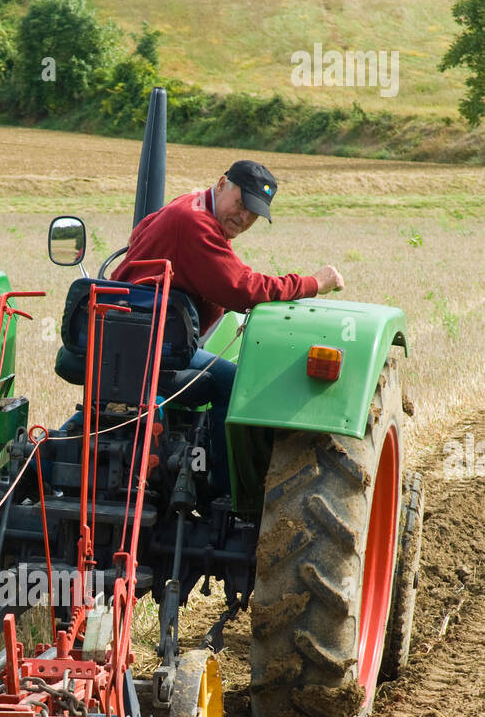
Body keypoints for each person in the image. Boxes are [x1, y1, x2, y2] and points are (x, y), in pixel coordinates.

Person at [112, 159, 344, 493]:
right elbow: (243, 290)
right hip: (153, 344)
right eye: (241, 204)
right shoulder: (195, 224)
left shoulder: (187, 205)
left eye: (254, 214)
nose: (244, 217)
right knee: (234, 384)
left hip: (123, 336)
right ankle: (222, 493)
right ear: (222, 184)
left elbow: (140, 234)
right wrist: (312, 283)